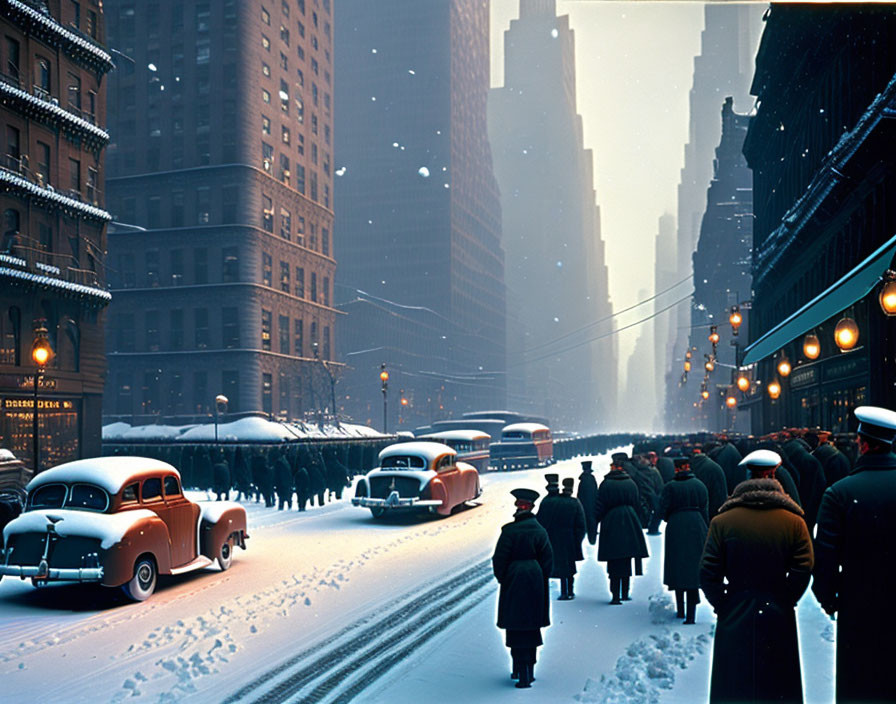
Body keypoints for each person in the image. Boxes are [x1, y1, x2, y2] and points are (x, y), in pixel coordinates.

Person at [700, 449, 813, 703]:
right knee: (776, 684)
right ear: (774, 475)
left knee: (735, 684)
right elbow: (803, 567)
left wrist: (725, 603)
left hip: (736, 608)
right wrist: (785, 598)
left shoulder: (723, 520)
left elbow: (708, 572)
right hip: (777, 611)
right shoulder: (794, 520)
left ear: (747, 475)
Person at [813, 406, 896, 704]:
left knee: (861, 684)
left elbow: (824, 558)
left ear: (862, 444)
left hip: (859, 605)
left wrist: (829, 598)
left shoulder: (839, 494)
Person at [492, 488, 553, 689]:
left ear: (518, 508)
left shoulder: (508, 531)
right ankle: (530, 670)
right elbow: (547, 561)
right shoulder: (540, 531)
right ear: (532, 508)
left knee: (515, 626)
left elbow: (499, 560)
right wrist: (539, 578)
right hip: (534, 579)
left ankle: (519, 668)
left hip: (514, 579)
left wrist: (506, 579)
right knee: (532, 625)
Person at [658, 455, 708, 624]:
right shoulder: (700, 485)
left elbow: (663, 509)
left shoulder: (670, 487)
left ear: (677, 468)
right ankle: (692, 615)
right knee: (693, 570)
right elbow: (705, 508)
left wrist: (670, 517)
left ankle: (680, 610)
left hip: (676, 527)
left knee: (678, 569)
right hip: (697, 525)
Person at [595, 454, 649, 604]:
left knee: (614, 561)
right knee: (627, 559)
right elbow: (638, 504)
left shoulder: (606, 484)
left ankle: (615, 596)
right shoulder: (631, 483)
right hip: (630, 521)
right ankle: (625, 593)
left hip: (611, 522)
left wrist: (595, 521)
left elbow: (599, 506)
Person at [537, 475, 585, 600]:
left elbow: (539, 523)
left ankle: (558, 592)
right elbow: (581, 526)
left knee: (552, 566)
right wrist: (577, 541)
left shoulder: (546, 502)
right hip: (568, 539)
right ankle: (569, 591)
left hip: (551, 539)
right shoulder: (573, 502)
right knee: (568, 567)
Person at [577, 460, 599, 545]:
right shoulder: (591, 479)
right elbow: (595, 492)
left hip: (584, 505)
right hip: (592, 504)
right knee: (592, 521)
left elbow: (579, 494)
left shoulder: (582, 480)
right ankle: (592, 539)